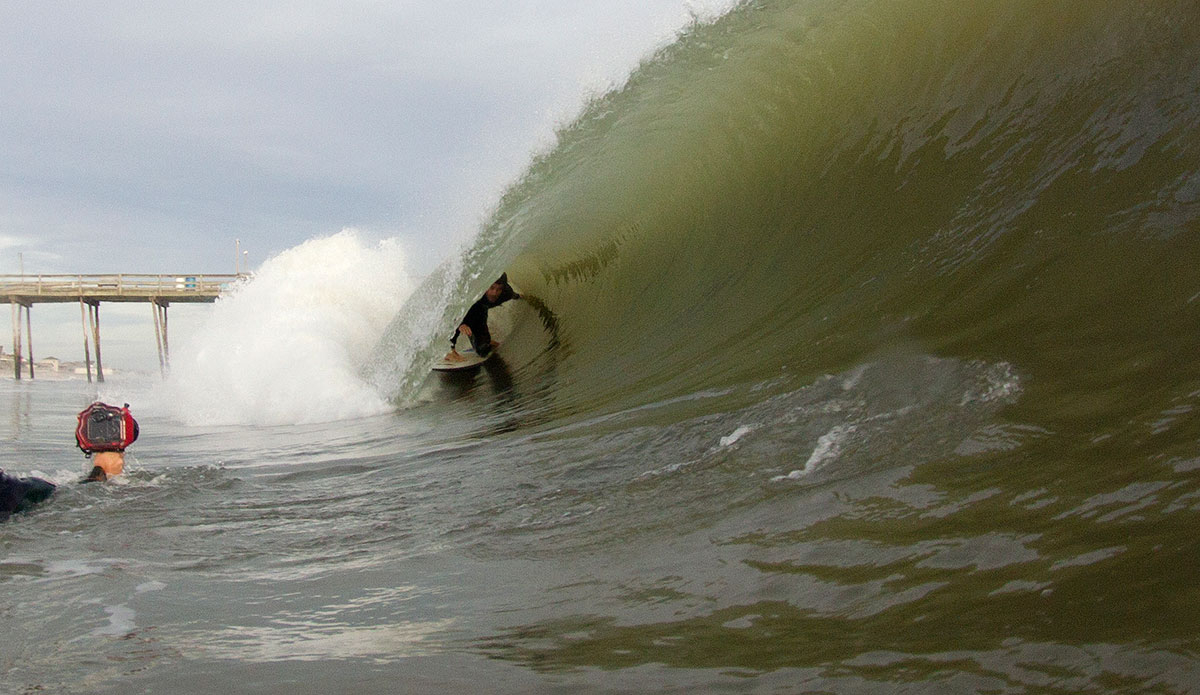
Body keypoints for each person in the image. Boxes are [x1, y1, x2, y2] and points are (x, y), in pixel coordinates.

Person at [444, 273, 521, 363]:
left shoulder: (506, 293)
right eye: (491, 288)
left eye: (499, 289)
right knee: (458, 322)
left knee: (483, 350)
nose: (494, 293)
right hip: (462, 308)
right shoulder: (475, 292)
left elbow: (514, 295)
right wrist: (461, 324)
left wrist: (520, 296)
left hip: (480, 311)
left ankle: (486, 341)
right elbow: (453, 311)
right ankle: (449, 350)